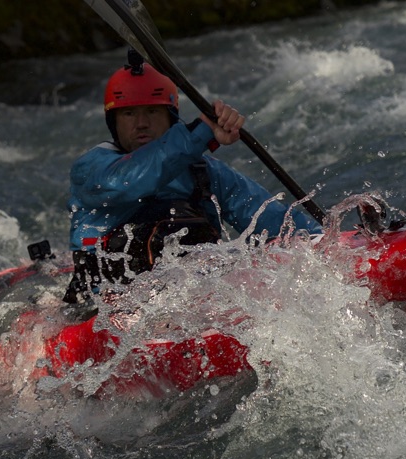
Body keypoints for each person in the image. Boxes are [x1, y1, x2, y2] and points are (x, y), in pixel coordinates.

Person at [64, 51, 321, 303]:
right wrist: (202, 132)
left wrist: (322, 243)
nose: (141, 123)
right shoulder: (92, 168)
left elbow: (269, 220)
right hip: (104, 309)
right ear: (114, 122)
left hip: (191, 303)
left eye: (152, 112)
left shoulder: (203, 171)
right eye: (129, 113)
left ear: (170, 118)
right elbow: (131, 181)